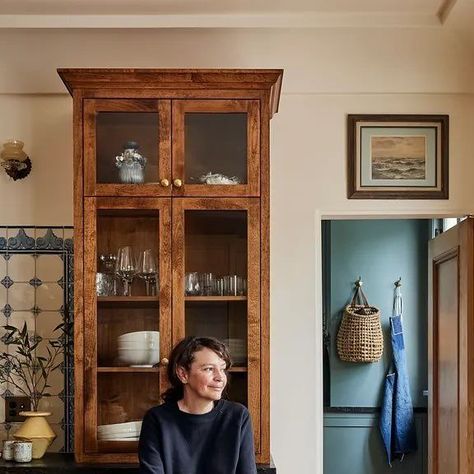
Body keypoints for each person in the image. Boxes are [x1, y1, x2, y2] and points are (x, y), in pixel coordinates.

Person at [139, 336, 257, 474]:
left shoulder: (238, 416)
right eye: (208, 369)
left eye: (223, 369)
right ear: (183, 374)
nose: (220, 377)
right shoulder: (157, 420)